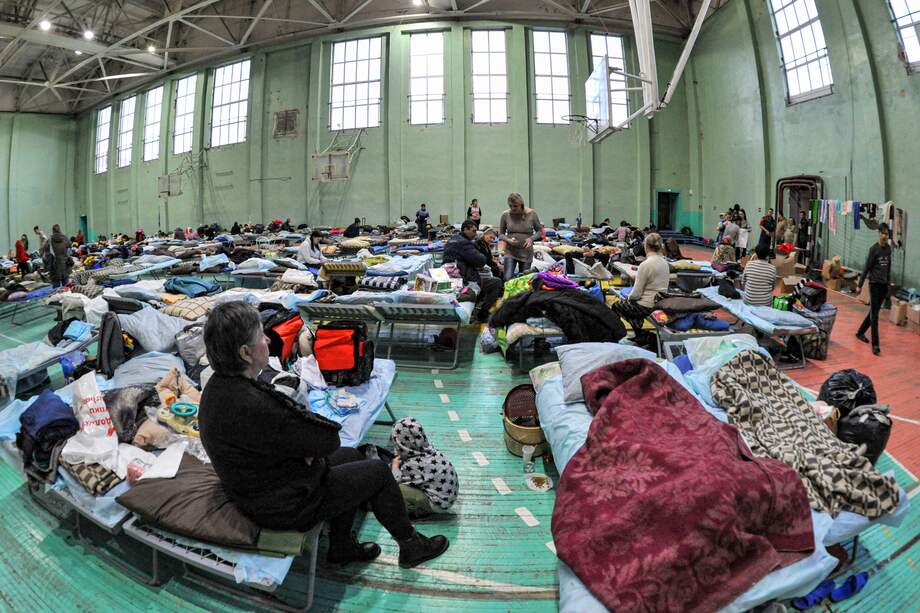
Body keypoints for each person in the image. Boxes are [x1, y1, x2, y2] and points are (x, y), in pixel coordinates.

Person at [198, 302, 449, 568]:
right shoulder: (254, 404)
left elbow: (286, 438)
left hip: (260, 487)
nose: (268, 340)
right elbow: (328, 439)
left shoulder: (218, 386)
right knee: (378, 472)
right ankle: (412, 546)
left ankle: (341, 546)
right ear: (246, 353)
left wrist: (307, 450)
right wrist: (309, 450)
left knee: (353, 455)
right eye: (262, 335)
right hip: (282, 506)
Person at [390, 418, 459, 518]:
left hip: (438, 504)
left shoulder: (413, 464)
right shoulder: (430, 451)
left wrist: (395, 467)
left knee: (396, 488)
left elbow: (395, 481)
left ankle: (419, 511)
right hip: (447, 497)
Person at [610, 233, 669, 348]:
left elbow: (636, 294)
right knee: (631, 308)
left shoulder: (645, 265)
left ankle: (617, 336)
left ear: (646, 246)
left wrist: (627, 297)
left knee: (617, 306)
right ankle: (640, 336)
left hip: (646, 306)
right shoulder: (665, 263)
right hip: (659, 303)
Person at [443, 220, 503, 322]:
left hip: (453, 278)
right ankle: (483, 315)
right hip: (464, 281)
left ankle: (476, 307)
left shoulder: (452, 240)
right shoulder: (464, 243)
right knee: (496, 282)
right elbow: (481, 260)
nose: (475, 234)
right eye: (473, 231)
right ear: (465, 229)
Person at [856, 224, 892, 356]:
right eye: (883, 233)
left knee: (874, 312)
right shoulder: (874, 249)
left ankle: (860, 332)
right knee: (875, 315)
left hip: (883, 285)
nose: (885, 236)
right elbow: (867, 267)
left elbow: (888, 268)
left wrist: (888, 284)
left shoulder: (888, 249)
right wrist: (860, 285)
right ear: (879, 234)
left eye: (887, 234)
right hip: (874, 285)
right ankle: (875, 345)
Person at [498, 193, 541, 281]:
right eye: (510, 206)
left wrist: (531, 239)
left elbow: (540, 232)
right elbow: (501, 234)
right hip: (510, 251)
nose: (513, 208)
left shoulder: (532, 214)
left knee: (523, 280)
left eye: (515, 206)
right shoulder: (505, 215)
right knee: (507, 278)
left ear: (521, 204)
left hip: (526, 252)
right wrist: (508, 240)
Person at [741, 243, 776, 307]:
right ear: (768, 255)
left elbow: (743, 282)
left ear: (756, 254)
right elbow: (773, 287)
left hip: (748, 300)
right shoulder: (772, 268)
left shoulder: (749, 264)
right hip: (765, 303)